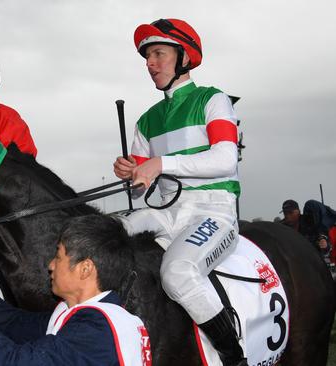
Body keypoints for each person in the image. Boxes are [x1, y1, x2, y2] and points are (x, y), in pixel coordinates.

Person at [112, 19, 246, 365]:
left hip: (214, 212)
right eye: (147, 57)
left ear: (184, 58)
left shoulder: (212, 100)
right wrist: (132, 175)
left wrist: (160, 164)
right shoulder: (147, 121)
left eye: (158, 53)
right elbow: (142, 192)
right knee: (104, 237)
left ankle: (234, 356)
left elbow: (226, 158)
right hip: (166, 212)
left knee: (178, 272)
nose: (150, 63)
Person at [0, 214, 151, 366]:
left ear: (85, 268)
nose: (51, 265)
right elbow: (16, 323)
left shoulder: (96, 330)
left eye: (59, 256)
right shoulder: (90, 316)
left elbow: (16, 362)